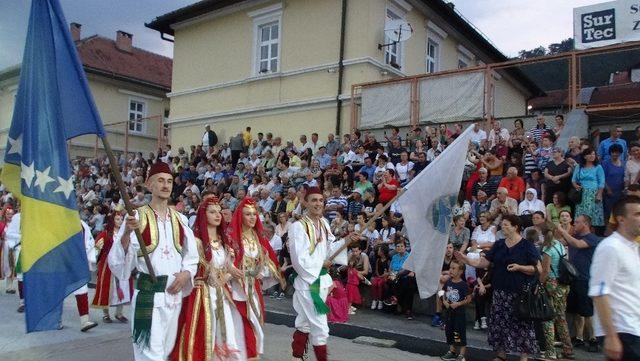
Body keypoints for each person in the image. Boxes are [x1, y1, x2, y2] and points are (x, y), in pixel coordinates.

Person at [108, 162, 199, 361]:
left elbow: (191, 257)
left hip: (173, 298)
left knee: (165, 353)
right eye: (160, 181)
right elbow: (118, 262)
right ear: (150, 185)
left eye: (168, 181)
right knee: (151, 356)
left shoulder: (180, 219)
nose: (166, 185)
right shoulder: (136, 217)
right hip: (148, 299)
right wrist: (127, 233)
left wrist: (186, 273)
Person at [455, 215, 541, 361]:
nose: (503, 227)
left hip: (520, 292)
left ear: (515, 227)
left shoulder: (527, 246)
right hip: (500, 290)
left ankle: (523, 357)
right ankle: (501, 355)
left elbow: (537, 268)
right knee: (499, 323)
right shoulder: (499, 244)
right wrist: (468, 260)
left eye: (506, 225)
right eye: (502, 225)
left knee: (522, 324)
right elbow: (485, 262)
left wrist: (520, 267)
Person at [170, 196, 241, 361]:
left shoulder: (224, 242)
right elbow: (190, 267)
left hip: (221, 293)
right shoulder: (196, 242)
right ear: (204, 215)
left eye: (219, 212)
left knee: (227, 331)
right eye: (212, 212)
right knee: (202, 331)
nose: (218, 215)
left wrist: (232, 273)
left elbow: (227, 267)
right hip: (201, 294)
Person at [288, 187, 348, 361]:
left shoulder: (323, 223)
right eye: (313, 200)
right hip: (309, 283)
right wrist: (321, 264)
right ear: (305, 202)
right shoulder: (298, 227)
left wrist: (347, 240)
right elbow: (299, 259)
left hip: (321, 279)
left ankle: (296, 358)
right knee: (320, 327)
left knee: (305, 323)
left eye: (321, 200)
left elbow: (329, 250)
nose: (318, 204)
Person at [225, 197, 284, 360]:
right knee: (241, 325)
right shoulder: (231, 238)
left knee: (255, 324)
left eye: (254, 214)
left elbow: (267, 260)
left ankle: (251, 354)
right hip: (237, 289)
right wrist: (233, 272)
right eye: (247, 214)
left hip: (253, 288)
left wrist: (262, 271)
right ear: (240, 216)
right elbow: (227, 263)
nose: (252, 217)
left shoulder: (259, 238)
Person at [589, 196, 640, 361]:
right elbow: (599, 293)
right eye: (637, 214)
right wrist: (611, 336)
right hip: (621, 332)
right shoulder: (611, 247)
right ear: (621, 219)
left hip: (633, 329)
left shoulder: (633, 249)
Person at [556, 214, 601, 352]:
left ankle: (593, 339)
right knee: (575, 311)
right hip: (573, 279)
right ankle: (579, 338)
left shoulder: (592, 238)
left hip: (585, 279)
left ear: (585, 224)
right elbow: (560, 242)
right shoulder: (574, 237)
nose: (574, 224)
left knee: (587, 312)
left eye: (577, 222)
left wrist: (563, 230)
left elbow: (577, 245)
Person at [539, 223, 574, 360]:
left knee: (548, 318)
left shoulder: (547, 248)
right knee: (561, 318)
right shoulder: (559, 245)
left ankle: (550, 352)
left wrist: (539, 284)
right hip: (563, 284)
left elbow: (546, 270)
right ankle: (568, 349)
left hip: (551, 284)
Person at [91, 212, 132, 323]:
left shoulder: (126, 233)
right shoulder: (106, 234)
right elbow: (96, 248)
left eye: (121, 219)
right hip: (108, 264)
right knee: (107, 287)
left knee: (123, 286)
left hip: (122, 264)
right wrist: (96, 259)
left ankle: (119, 313)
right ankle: (106, 314)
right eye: (117, 219)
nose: (119, 221)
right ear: (112, 220)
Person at [439, 259, 472, 361]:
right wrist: (444, 301)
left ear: (461, 271)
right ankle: (452, 351)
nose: (451, 270)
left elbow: (469, 299)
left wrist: (458, 303)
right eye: (450, 268)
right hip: (449, 313)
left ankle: (461, 355)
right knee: (450, 332)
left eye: (454, 268)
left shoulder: (463, 285)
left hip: (459, 314)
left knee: (459, 333)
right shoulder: (448, 282)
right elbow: (442, 291)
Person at [572, 147, 605, 230]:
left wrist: (599, 194)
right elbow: (573, 179)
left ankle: (592, 233)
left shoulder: (598, 167)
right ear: (584, 156)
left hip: (594, 193)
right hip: (582, 193)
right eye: (590, 154)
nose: (592, 156)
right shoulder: (579, 167)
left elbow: (602, 181)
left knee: (593, 214)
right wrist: (575, 185)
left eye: (594, 154)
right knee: (581, 213)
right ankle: (581, 231)